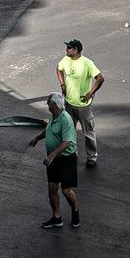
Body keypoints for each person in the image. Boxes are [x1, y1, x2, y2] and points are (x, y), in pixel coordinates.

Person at [33, 89, 82, 229]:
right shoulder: (54, 116)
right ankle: (57, 217)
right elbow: (48, 130)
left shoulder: (66, 120)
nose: (47, 107)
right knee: (52, 187)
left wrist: (51, 156)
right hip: (53, 160)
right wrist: (37, 138)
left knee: (66, 191)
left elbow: (67, 142)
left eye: (49, 104)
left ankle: (75, 210)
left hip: (66, 159)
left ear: (54, 104)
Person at [57, 38, 103, 166]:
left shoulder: (87, 63)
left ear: (76, 50)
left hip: (84, 106)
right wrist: (62, 84)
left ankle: (92, 158)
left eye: (69, 48)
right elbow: (59, 69)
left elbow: (100, 78)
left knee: (88, 133)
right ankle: (72, 153)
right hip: (69, 104)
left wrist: (90, 93)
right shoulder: (66, 60)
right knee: (68, 131)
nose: (66, 50)